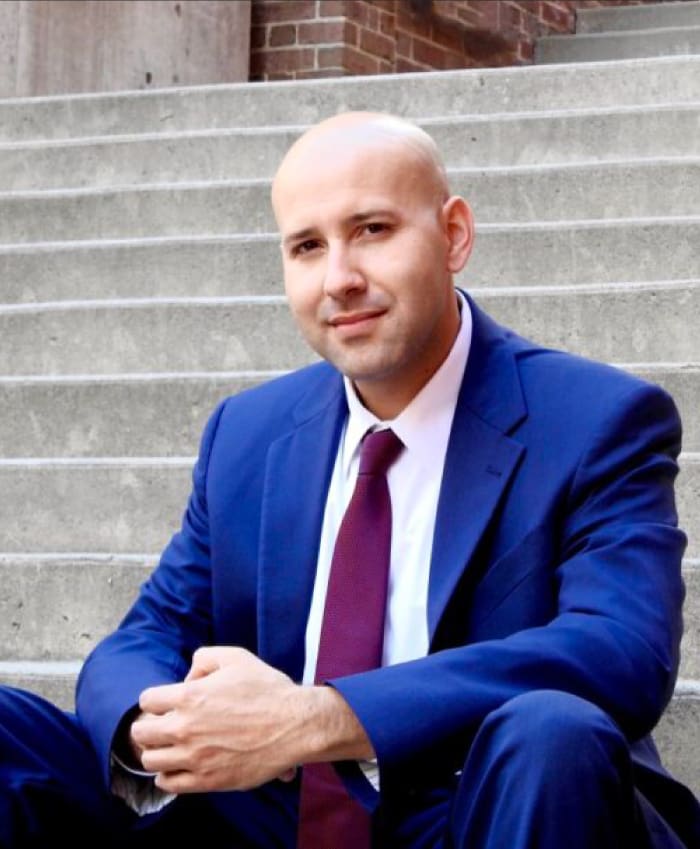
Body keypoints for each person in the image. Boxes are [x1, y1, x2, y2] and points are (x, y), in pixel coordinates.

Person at [0, 111, 698, 849]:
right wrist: (163, 730)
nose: (341, 279)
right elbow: (147, 634)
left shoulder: (597, 418)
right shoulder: (250, 431)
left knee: (552, 730)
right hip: (271, 814)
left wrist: (317, 719)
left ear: (454, 234)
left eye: (372, 229)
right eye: (307, 246)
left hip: (476, 808)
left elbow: (618, 650)